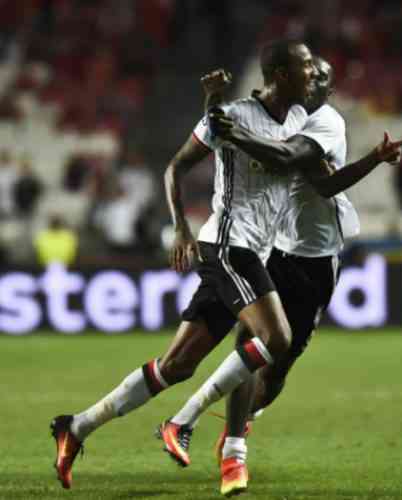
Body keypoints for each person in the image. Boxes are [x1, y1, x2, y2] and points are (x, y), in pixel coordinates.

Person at [49, 39, 317, 491]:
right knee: (277, 338)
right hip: (230, 246)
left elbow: (292, 165)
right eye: (305, 66)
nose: (313, 73)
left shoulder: (296, 120)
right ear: (280, 73)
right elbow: (175, 168)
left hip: (255, 251)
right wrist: (180, 229)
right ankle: (184, 422)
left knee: (176, 366)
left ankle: (75, 427)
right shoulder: (234, 115)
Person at [169, 59, 402, 497]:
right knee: (251, 341)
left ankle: (237, 423)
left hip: (315, 261)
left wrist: (374, 159)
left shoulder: (326, 124)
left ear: (329, 89)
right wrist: (218, 114)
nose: (312, 81)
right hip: (272, 248)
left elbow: (319, 181)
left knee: (277, 371)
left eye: (321, 77)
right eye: (308, 74)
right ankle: (231, 448)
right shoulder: (279, 116)